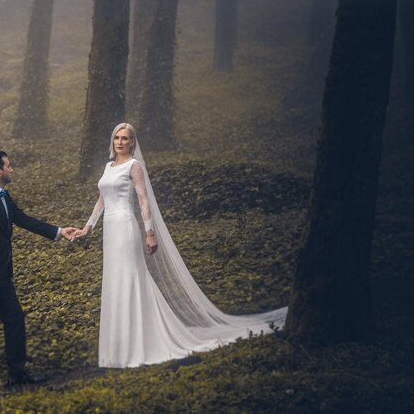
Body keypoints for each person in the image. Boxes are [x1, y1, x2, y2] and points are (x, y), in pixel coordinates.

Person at [74, 123, 287, 368]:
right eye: (117, 138)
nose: (120, 142)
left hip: (125, 226)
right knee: (115, 279)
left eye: (125, 138)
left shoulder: (134, 166)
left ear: (133, 142)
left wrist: (150, 233)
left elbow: (143, 199)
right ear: (113, 141)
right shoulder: (108, 166)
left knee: (131, 278)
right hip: (110, 231)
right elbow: (102, 199)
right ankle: (119, 345)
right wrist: (88, 227)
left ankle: (140, 341)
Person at [0, 150, 76, 396]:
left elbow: (22, 219)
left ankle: (17, 375)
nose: (12, 169)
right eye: (9, 166)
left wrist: (58, 231)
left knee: (14, 320)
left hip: (2, 275)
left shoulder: (4, 196)